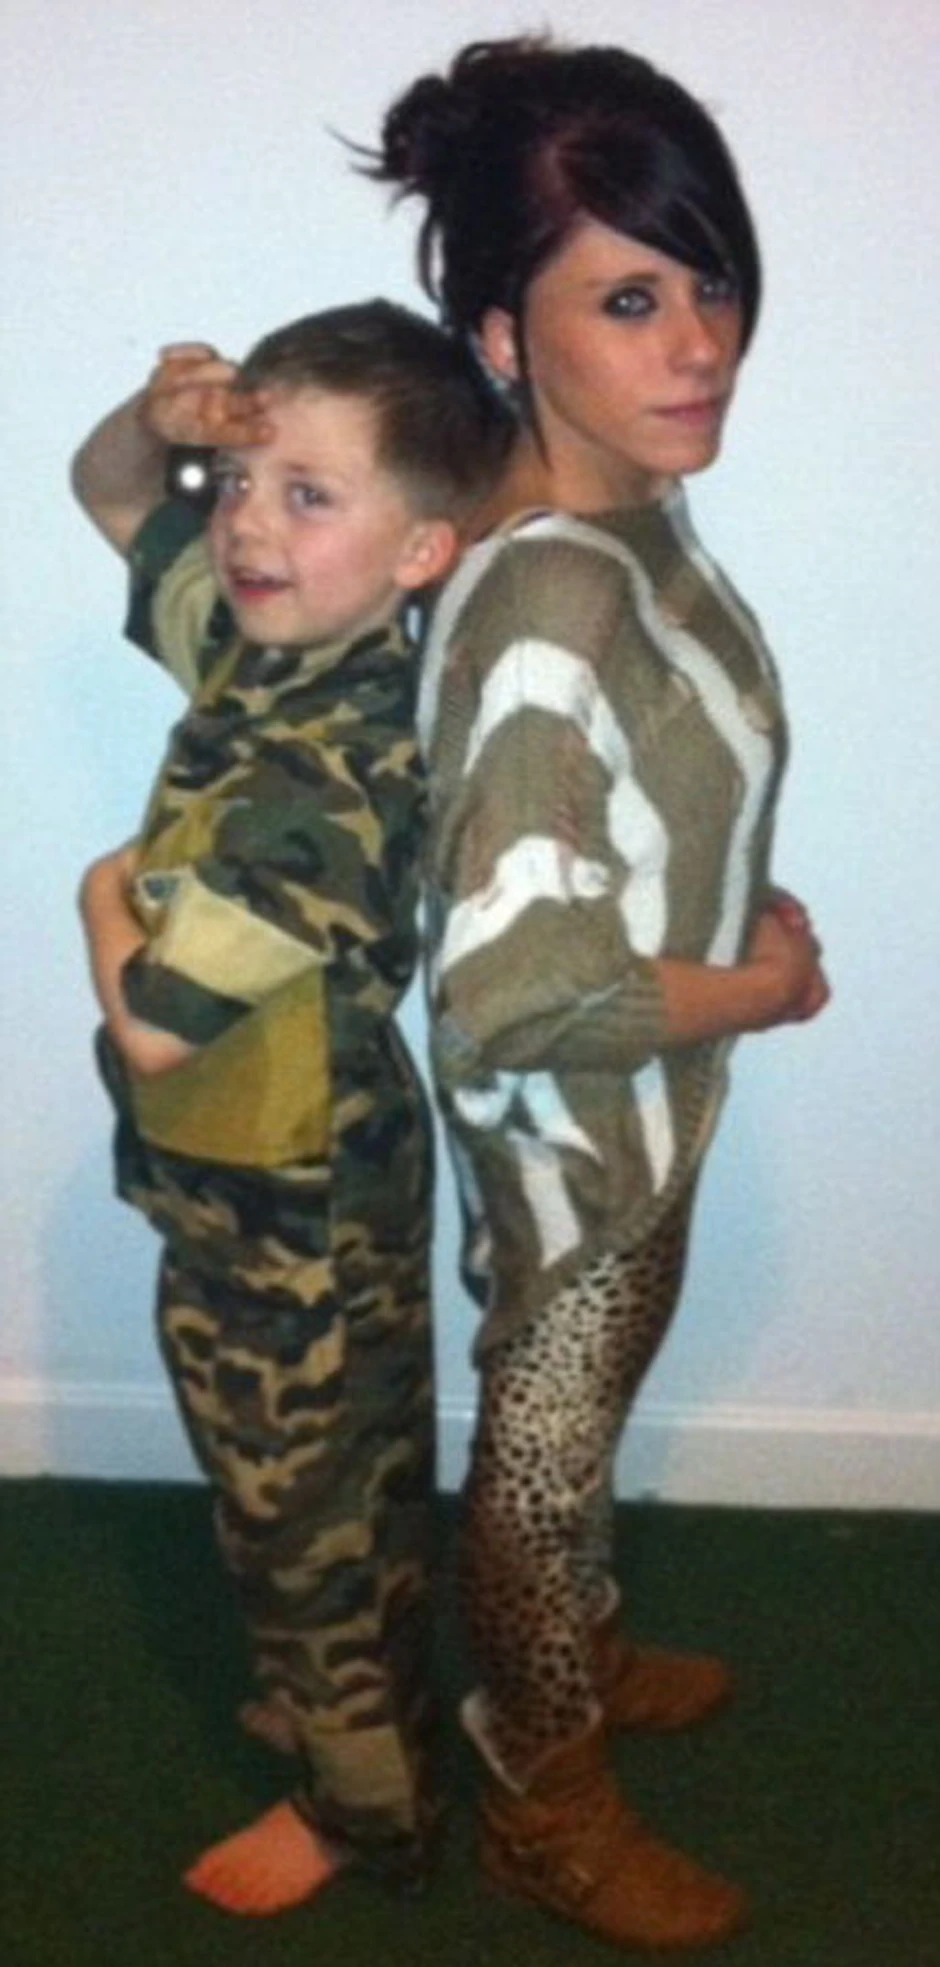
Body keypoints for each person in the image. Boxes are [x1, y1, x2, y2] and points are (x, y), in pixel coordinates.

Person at [368, 34, 830, 1953]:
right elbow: (516, 995)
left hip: (651, 1102)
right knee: (541, 1464)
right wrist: (761, 987)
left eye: (708, 282)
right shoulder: (552, 600)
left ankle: (586, 1643)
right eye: (629, 300)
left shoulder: (633, 503)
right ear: (504, 334)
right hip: (577, 1145)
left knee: (583, 1429)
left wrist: (721, 924)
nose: (701, 343)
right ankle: (540, 1793)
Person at [71, 300, 511, 1916]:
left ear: (421, 551)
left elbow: (154, 1022)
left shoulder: (323, 775)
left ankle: (364, 1815)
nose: (246, 522)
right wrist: (160, 419)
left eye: (306, 494)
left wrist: (100, 888)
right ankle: (335, 1701)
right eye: (244, 478)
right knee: (302, 1496)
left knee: (316, 1521)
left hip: (297, 1220)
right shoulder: (271, 652)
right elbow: (111, 489)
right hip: (250, 1191)